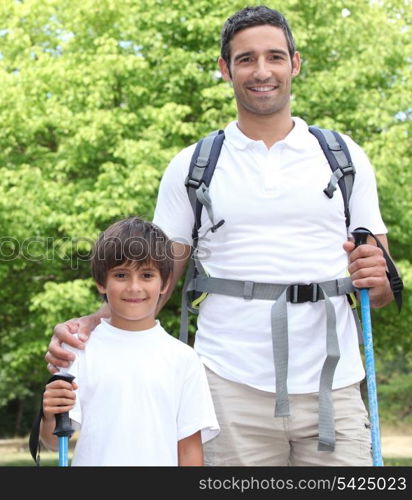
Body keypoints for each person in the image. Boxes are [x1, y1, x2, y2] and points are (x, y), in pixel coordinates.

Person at [45, 6, 396, 466]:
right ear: (225, 69)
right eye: (246, 59)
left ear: (295, 63)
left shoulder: (343, 156)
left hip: (334, 383)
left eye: (274, 56)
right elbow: (155, 280)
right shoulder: (192, 166)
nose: (262, 71)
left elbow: (382, 290)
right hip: (227, 386)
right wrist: (91, 325)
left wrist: (381, 278)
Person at [38, 217, 219, 466]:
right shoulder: (78, 350)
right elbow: (52, 440)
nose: (134, 287)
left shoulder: (183, 359)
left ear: (165, 283)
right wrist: (50, 416)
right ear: (101, 283)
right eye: (121, 275)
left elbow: (189, 450)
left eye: (147, 275)